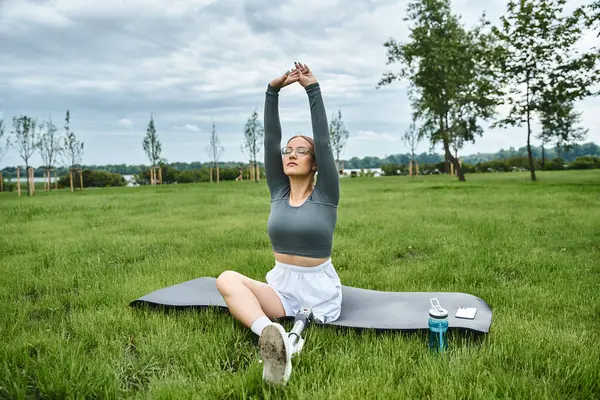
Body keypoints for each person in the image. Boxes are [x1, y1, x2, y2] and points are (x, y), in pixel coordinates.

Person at [215, 62, 342, 385]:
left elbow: (324, 142)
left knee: (297, 313)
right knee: (227, 279)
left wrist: (312, 89)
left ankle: (287, 341)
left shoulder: (325, 193)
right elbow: (270, 140)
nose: (291, 154)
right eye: (289, 150)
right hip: (282, 288)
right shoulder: (277, 191)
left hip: (318, 289)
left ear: (315, 164)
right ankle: (270, 336)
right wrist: (272, 92)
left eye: (302, 151)